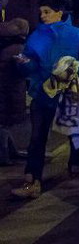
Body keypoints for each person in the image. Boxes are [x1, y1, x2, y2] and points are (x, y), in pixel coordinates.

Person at [10, 0, 79, 199]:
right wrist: (23, 63)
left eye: (46, 11)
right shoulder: (36, 35)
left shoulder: (77, 34)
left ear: (59, 13)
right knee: (37, 137)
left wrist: (77, 66)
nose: (42, 15)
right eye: (41, 12)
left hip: (69, 92)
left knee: (75, 133)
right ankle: (32, 180)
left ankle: (75, 171)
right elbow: (31, 64)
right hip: (42, 93)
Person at [0, 18, 29, 165]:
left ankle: (11, 152)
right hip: (9, 90)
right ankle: (4, 156)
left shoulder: (5, 44)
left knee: (3, 123)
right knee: (3, 123)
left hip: (6, 89)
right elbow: (24, 69)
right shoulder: (17, 48)